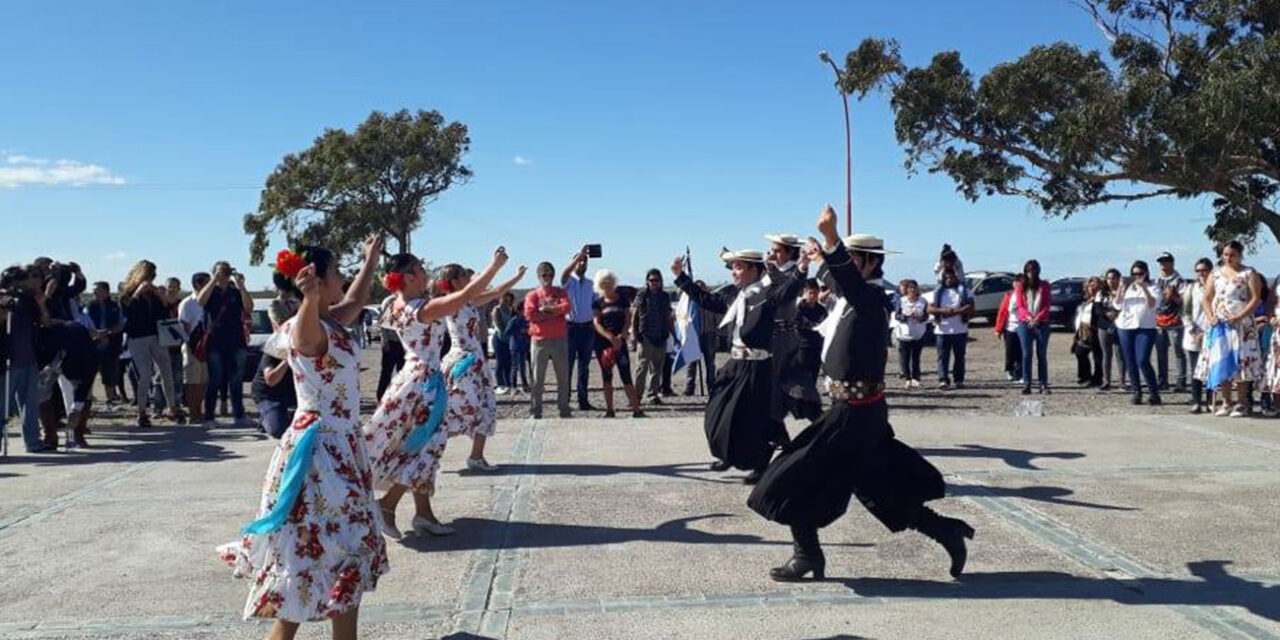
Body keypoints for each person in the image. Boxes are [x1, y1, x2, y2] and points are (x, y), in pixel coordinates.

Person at [749, 205, 973, 583]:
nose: (846, 269)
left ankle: (806, 555)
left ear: (870, 264)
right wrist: (817, 256)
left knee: (790, 475)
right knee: (877, 487)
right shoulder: (848, 298)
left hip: (855, 413)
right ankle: (945, 531)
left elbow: (845, 280)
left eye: (853, 260)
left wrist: (832, 239)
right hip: (853, 411)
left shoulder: (871, 299)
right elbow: (835, 279)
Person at [217, 237, 387, 640]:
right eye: (336, 272)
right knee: (332, 554)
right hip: (320, 453)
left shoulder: (332, 319)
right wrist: (309, 298)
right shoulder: (305, 327)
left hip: (341, 446)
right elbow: (308, 342)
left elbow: (356, 299)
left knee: (330, 559)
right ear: (318, 280)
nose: (342, 278)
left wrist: (370, 259)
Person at [364, 248, 508, 539]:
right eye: (419, 269)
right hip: (425, 385)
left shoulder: (394, 305)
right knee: (425, 447)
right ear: (408, 277)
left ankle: (423, 514)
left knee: (419, 445)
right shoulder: (421, 309)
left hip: (410, 380)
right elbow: (464, 296)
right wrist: (493, 267)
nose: (425, 273)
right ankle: (388, 505)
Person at [671, 246, 803, 484]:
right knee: (717, 411)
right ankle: (727, 452)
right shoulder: (735, 296)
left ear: (754, 269)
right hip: (736, 364)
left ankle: (760, 465)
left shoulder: (767, 293)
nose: (733, 272)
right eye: (733, 267)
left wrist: (796, 268)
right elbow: (706, 299)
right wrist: (681, 277)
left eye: (739, 267)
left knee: (753, 419)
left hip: (758, 366)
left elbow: (789, 288)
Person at [438, 263, 527, 472]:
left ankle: (476, 457)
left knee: (485, 407)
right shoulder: (450, 303)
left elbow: (496, 291)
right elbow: (482, 285)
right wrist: (495, 265)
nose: (468, 279)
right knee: (456, 410)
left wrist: (517, 277)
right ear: (454, 281)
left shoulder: (469, 301)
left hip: (476, 359)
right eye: (464, 276)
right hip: (462, 362)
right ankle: (427, 454)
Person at [1199, 241, 1263, 417]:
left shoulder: (1248, 273)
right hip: (1220, 324)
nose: (1228, 258)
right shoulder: (1215, 274)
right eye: (1225, 254)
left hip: (1241, 324)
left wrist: (1240, 316)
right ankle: (1226, 401)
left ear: (1240, 255)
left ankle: (1242, 402)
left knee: (1241, 362)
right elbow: (1206, 298)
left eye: (1232, 255)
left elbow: (1255, 298)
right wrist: (1211, 316)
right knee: (1221, 360)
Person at [764, 233, 822, 420]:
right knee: (773, 389)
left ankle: (813, 417)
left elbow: (785, 290)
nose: (772, 254)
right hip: (772, 335)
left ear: (790, 253)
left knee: (789, 385)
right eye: (771, 250)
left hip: (784, 336)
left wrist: (772, 271)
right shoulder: (774, 270)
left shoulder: (792, 272)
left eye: (777, 251)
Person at [120, 260, 183, 427]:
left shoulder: (154, 293)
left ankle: (172, 407)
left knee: (167, 372)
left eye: (153, 275)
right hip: (137, 338)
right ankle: (141, 411)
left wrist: (162, 297)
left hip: (157, 336)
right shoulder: (127, 293)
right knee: (145, 374)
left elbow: (165, 313)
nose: (151, 279)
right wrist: (137, 293)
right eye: (149, 275)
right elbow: (126, 311)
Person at [1, 265, 52, 453]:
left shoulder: (29, 301)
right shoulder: (4, 299)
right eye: (26, 278)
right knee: (1, 406)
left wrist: (41, 303)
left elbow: (46, 322)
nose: (31, 282)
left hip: (29, 360)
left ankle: (33, 442)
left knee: (30, 405)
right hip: (7, 362)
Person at [198, 262, 252, 426]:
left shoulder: (235, 292)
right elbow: (200, 302)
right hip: (216, 341)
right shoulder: (210, 291)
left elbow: (249, 307)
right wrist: (213, 279)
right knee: (215, 378)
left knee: (236, 379)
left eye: (226, 272)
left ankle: (239, 415)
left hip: (236, 340)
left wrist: (242, 286)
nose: (224, 276)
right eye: (220, 272)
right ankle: (209, 416)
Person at [592, 269, 644, 418]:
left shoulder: (622, 300)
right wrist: (610, 337)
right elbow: (597, 323)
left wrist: (622, 335)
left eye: (609, 282)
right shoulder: (598, 303)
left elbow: (628, 319)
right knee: (607, 377)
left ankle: (636, 409)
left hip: (620, 342)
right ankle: (610, 409)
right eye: (604, 283)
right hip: (603, 344)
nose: (607, 285)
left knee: (626, 376)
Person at [524, 262, 572, 419]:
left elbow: (567, 307)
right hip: (539, 341)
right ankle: (536, 410)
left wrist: (546, 311)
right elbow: (530, 314)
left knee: (563, 378)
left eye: (550, 274)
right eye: (544, 274)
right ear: (539, 276)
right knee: (537, 379)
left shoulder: (560, 292)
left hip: (559, 339)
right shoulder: (533, 295)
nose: (547, 277)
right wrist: (554, 312)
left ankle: (564, 409)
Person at [1114, 260, 1163, 406]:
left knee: (1142, 360)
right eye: (1134, 274)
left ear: (1146, 273)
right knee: (1130, 361)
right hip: (1126, 326)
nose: (1137, 276)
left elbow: (1153, 305)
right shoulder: (1128, 288)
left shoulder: (1153, 287)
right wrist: (1121, 288)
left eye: (1140, 273)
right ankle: (1137, 392)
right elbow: (1117, 305)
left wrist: (1144, 288)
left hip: (1145, 327)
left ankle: (1154, 392)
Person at [561, 248, 597, 411]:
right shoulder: (568, 281)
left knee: (584, 367)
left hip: (587, 329)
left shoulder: (591, 284)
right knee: (567, 366)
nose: (582, 263)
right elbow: (564, 274)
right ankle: (565, 401)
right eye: (579, 261)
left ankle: (583, 400)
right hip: (571, 329)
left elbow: (595, 305)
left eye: (584, 261)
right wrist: (578, 257)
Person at [632, 268, 673, 406]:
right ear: (647, 281)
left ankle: (653, 395)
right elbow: (635, 314)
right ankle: (637, 396)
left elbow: (668, 317)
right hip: (645, 336)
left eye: (657, 280)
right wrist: (635, 334)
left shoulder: (665, 296)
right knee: (642, 368)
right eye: (652, 280)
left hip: (661, 335)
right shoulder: (642, 295)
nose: (654, 283)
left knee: (657, 369)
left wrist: (673, 333)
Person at [928, 268, 973, 389]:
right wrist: (944, 311)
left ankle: (959, 379)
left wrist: (955, 312)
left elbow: (971, 307)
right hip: (942, 330)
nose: (949, 279)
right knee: (942, 357)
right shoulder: (937, 292)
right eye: (946, 277)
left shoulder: (965, 291)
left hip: (960, 329)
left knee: (959, 356)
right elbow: (930, 309)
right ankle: (943, 380)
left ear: (956, 277)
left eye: (951, 277)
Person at [85, 281, 126, 405]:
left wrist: (107, 333)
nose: (94, 292)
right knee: (89, 373)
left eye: (97, 289)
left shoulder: (115, 306)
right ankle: (88, 401)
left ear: (106, 291)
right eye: (94, 290)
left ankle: (110, 399)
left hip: (112, 344)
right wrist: (96, 334)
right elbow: (85, 324)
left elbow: (121, 324)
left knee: (110, 373)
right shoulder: (90, 306)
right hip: (93, 344)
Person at [178, 272, 210, 425]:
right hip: (192, 346)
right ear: (198, 284)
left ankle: (200, 411)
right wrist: (192, 343)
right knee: (193, 381)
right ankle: (193, 413)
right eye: (206, 282)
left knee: (203, 381)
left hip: (207, 346)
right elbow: (183, 325)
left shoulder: (210, 300)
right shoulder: (187, 303)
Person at [1016, 260, 1053, 395]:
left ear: (1038, 271)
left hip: (1042, 323)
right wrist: (1029, 318)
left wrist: (1038, 318)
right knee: (1027, 354)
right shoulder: (1021, 286)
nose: (1031, 273)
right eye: (1028, 271)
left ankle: (1043, 384)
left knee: (1041, 354)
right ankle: (1027, 383)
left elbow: (1047, 305)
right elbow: (1020, 306)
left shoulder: (1045, 286)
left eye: (1033, 270)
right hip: (1025, 323)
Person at [1153, 252, 1187, 392]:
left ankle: (1181, 380)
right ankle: (1162, 380)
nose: (1163, 264)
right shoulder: (1156, 281)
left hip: (1175, 321)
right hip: (1159, 321)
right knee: (1161, 353)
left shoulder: (1179, 281)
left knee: (1178, 351)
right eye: (1161, 262)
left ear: (1172, 263)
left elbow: (1184, 302)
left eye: (1166, 261)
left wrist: (1173, 297)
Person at [682, 280, 721, 396]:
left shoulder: (710, 302)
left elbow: (717, 318)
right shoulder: (691, 303)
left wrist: (717, 333)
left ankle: (711, 386)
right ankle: (689, 387)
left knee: (710, 363)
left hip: (709, 335)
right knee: (692, 362)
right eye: (697, 287)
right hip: (694, 335)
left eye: (702, 287)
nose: (700, 289)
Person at [1186, 258, 1213, 413]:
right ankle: (1196, 401)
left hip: (1212, 332)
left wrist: (1207, 332)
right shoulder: (1191, 289)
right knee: (1195, 369)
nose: (1201, 274)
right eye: (1198, 271)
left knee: (1211, 369)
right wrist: (1195, 331)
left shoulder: (1217, 287)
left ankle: (1210, 401)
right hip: (1194, 334)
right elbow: (1185, 312)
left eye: (1204, 270)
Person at [796, 279, 829, 394]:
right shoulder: (799, 308)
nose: (813, 296)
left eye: (815, 293)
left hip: (817, 345)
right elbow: (799, 323)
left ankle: (810, 395)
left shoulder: (821, 309)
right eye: (810, 293)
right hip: (803, 345)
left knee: (814, 373)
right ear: (805, 292)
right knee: (801, 374)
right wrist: (814, 326)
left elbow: (825, 324)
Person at [893, 279, 927, 388]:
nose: (912, 290)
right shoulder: (901, 301)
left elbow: (926, 315)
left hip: (918, 333)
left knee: (916, 358)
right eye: (910, 288)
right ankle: (907, 379)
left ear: (917, 289)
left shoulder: (923, 301)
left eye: (914, 288)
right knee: (905, 358)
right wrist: (906, 316)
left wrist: (920, 318)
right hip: (904, 334)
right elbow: (897, 315)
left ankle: (916, 378)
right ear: (907, 290)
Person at [1072, 277, 1105, 387]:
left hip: (1095, 329)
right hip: (1083, 329)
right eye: (1090, 286)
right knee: (1079, 352)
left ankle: (1097, 378)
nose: (1093, 288)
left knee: (1097, 356)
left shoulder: (1101, 300)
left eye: (1096, 286)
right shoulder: (1085, 300)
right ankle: (1084, 375)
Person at [993, 275, 1024, 383]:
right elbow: (1002, 313)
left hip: (1022, 327)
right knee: (1010, 351)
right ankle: (1010, 370)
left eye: (1021, 282)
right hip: (1010, 328)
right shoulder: (1009, 296)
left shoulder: (1027, 295)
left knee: (1021, 352)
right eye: (1016, 282)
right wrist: (998, 329)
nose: (1018, 284)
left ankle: (1020, 373)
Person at [1099, 268, 1126, 391]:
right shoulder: (1102, 293)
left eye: (1114, 278)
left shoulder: (1124, 292)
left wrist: (1117, 316)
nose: (1111, 281)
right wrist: (1107, 314)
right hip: (1104, 326)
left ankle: (1122, 381)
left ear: (1119, 279)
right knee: (1106, 354)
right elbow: (1098, 309)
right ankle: (1106, 380)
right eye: (1108, 278)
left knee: (1120, 354)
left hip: (1120, 325)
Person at [375, 294, 405, 402]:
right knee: (386, 373)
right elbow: (382, 323)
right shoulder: (389, 300)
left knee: (403, 372)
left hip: (404, 343)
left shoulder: (409, 299)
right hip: (391, 342)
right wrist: (384, 341)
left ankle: (399, 397)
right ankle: (381, 397)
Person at [490, 292, 516, 395]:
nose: (506, 301)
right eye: (504, 299)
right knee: (500, 361)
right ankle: (500, 384)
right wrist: (508, 330)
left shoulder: (510, 310)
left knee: (508, 362)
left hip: (508, 339)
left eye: (508, 299)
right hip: (499, 338)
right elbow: (499, 324)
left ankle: (508, 383)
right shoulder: (496, 310)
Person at [507, 305, 531, 393]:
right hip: (515, 346)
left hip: (523, 346)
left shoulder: (525, 320)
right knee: (515, 366)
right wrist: (519, 331)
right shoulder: (513, 320)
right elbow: (507, 331)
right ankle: (513, 386)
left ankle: (525, 385)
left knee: (523, 367)